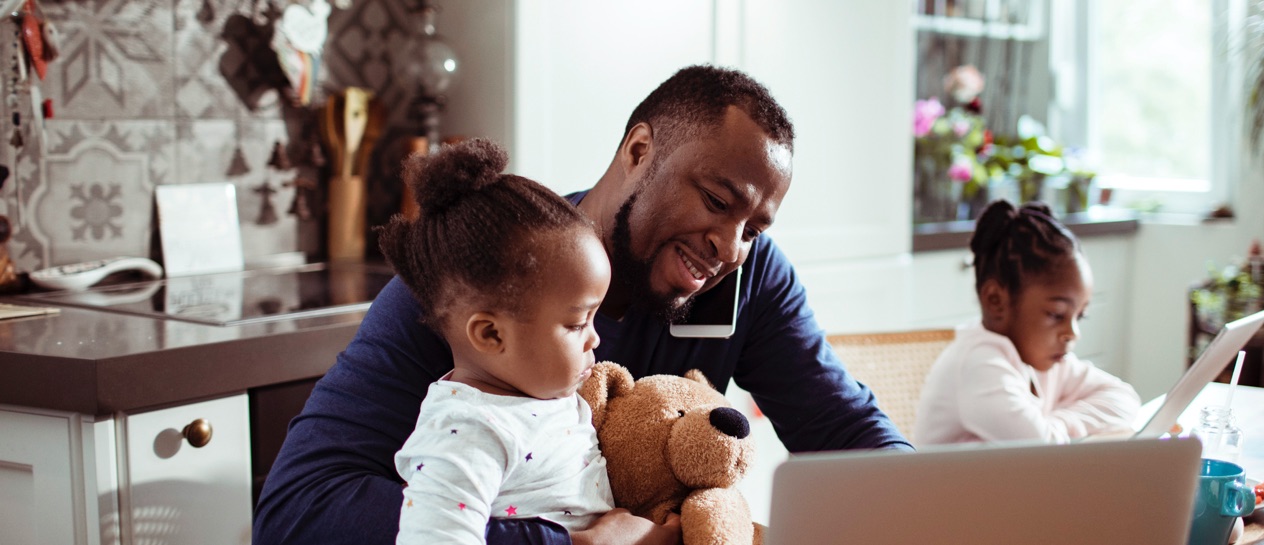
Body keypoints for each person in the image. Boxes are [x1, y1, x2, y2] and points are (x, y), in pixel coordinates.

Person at [253, 65, 911, 545]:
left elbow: (847, 435)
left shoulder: (751, 281)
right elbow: (297, 513)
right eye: (716, 199)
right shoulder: (480, 281)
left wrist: (943, 502)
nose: (731, 247)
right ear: (638, 150)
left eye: (755, 228)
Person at [378, 139, 621, 543]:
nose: (595, 337)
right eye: (578, 323)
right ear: (491, 334)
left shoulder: (542, 396)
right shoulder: (467, 432)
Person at [913, 200, 1139, 445]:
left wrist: (1059, 423)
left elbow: (1124, 398)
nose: (1072, 333)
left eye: (1080, 316)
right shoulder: (978, 364)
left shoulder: (1043, 359)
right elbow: (1042, 447)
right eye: (1056, 314)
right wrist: (1056, 429)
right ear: (995, 300)